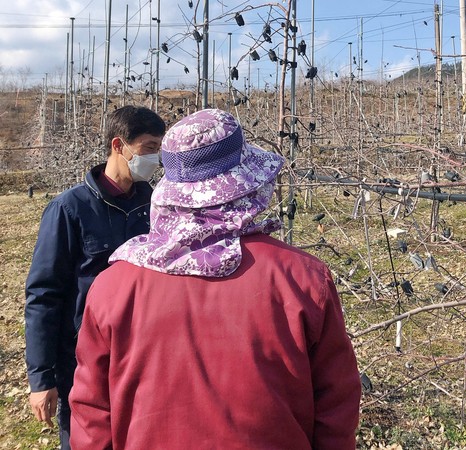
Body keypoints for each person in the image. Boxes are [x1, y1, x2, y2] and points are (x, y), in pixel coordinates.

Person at [69, 108, 361, 449]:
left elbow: (91, 415)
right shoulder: (303, 279)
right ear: (246, 184)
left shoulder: (113, 286)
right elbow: (336, 407)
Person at [25, 105, 166, 449]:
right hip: (82, 360)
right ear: (119, 145)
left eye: (159, 149)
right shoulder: (70, 209)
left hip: (143, 356)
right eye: (149, 148)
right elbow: (44, 294)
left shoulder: (157, 204)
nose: (156, 159)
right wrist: (41, 378)